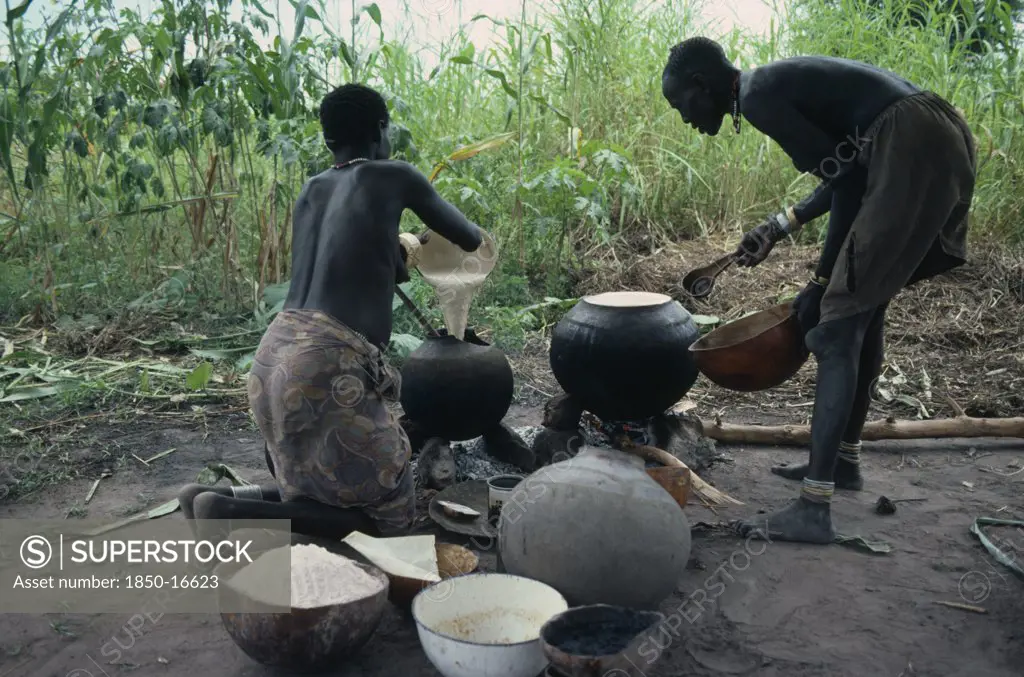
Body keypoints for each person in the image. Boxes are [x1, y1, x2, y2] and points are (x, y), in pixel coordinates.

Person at [662, 38, 976, 544]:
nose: (685, 118)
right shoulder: (766, 86)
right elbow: (846, 167)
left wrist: (823, 280)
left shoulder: (759, 95)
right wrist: (781, 224)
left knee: (833, 332)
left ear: (703, 84)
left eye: (682, 104)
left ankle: (813, 508)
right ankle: (844, 462)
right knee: (863, 313)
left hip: (909, 140)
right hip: (933, 132)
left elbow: (849, 184)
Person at [178, 83, 486, 541]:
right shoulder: (394, 175)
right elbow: (469, 237)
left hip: (274, 352)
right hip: (327, 364)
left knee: (318, 486)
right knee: (389, 515)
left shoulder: (312, 190)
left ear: (328, 140)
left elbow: (349, 268)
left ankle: (217, 499)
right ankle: (227, 510)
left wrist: (395, 253)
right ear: (382, 128)